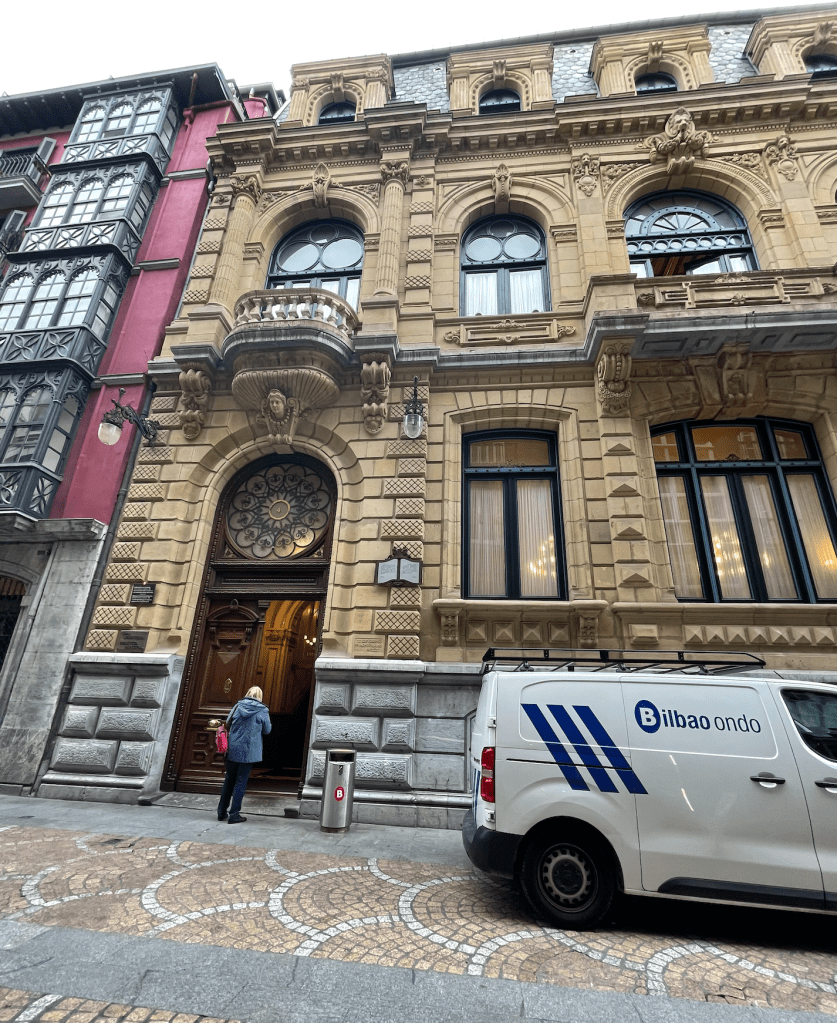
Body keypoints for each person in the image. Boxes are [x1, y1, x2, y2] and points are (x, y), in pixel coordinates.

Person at [217, 686, 271, 824]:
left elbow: (228, 723)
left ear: (247, 693)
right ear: (260, 696)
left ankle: (221, 812)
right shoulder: (262, 710)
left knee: (229, 780)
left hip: (234, 748)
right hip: (249, 751)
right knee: (240, 781)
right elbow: (267, 730)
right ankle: (234, 814)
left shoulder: (237, 706)